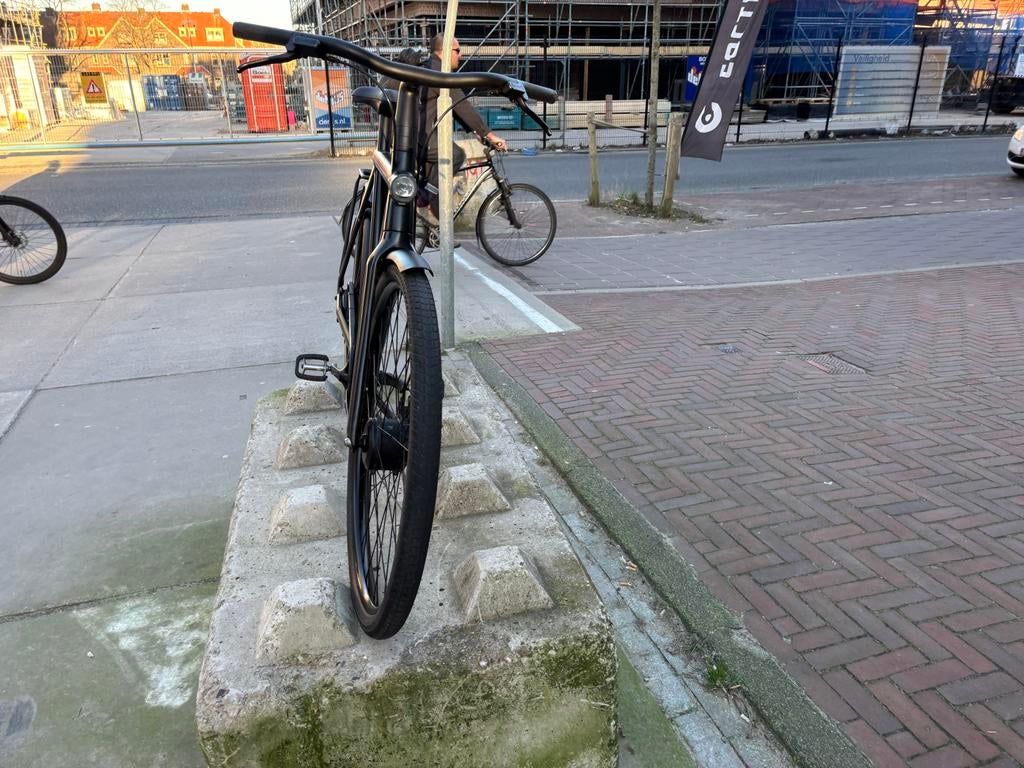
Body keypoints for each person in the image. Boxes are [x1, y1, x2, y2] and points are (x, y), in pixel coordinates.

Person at [421, 34, 507, 221]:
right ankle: (427, 201)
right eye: (457, 50)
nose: (460, 55)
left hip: (420, 134)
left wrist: (477, 132)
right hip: (420, 136)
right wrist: (490, 135)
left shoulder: (431, 67)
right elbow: (462, 106)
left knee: (433, 174)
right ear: (443, 52)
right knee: (456, 154)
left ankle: (437, 226)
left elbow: (455, 108)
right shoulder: (439, 73)